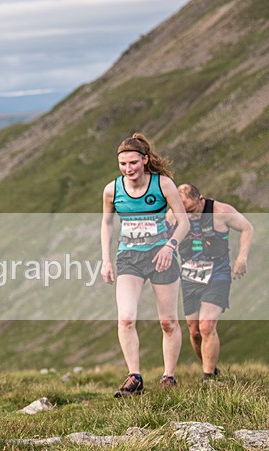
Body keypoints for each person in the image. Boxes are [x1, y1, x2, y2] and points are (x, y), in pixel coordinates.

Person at [101, 133, 189, 397]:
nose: (128, 169)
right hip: (129, 258)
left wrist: (169, 246)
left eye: (133, 163)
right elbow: (106, 223)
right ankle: (134, 377)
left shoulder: (163, 185)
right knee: (126, 318)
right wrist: (106, 259)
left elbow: (184, 222)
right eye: (123, 164)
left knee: (168, 322)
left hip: (162, 257)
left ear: (145, 160)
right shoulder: (112, 190)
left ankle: (168, 376)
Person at [171, 183, 253, 381]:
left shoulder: (221, 211)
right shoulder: (172, 215)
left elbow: (247, 228)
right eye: (184, 212)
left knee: (206, 325)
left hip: (218, 273)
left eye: (191, 210)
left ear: (201, 200)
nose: (189, 216)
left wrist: (241, 258)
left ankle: (208, 378)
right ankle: (211, 368)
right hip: (189, 275)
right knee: (195, 331)